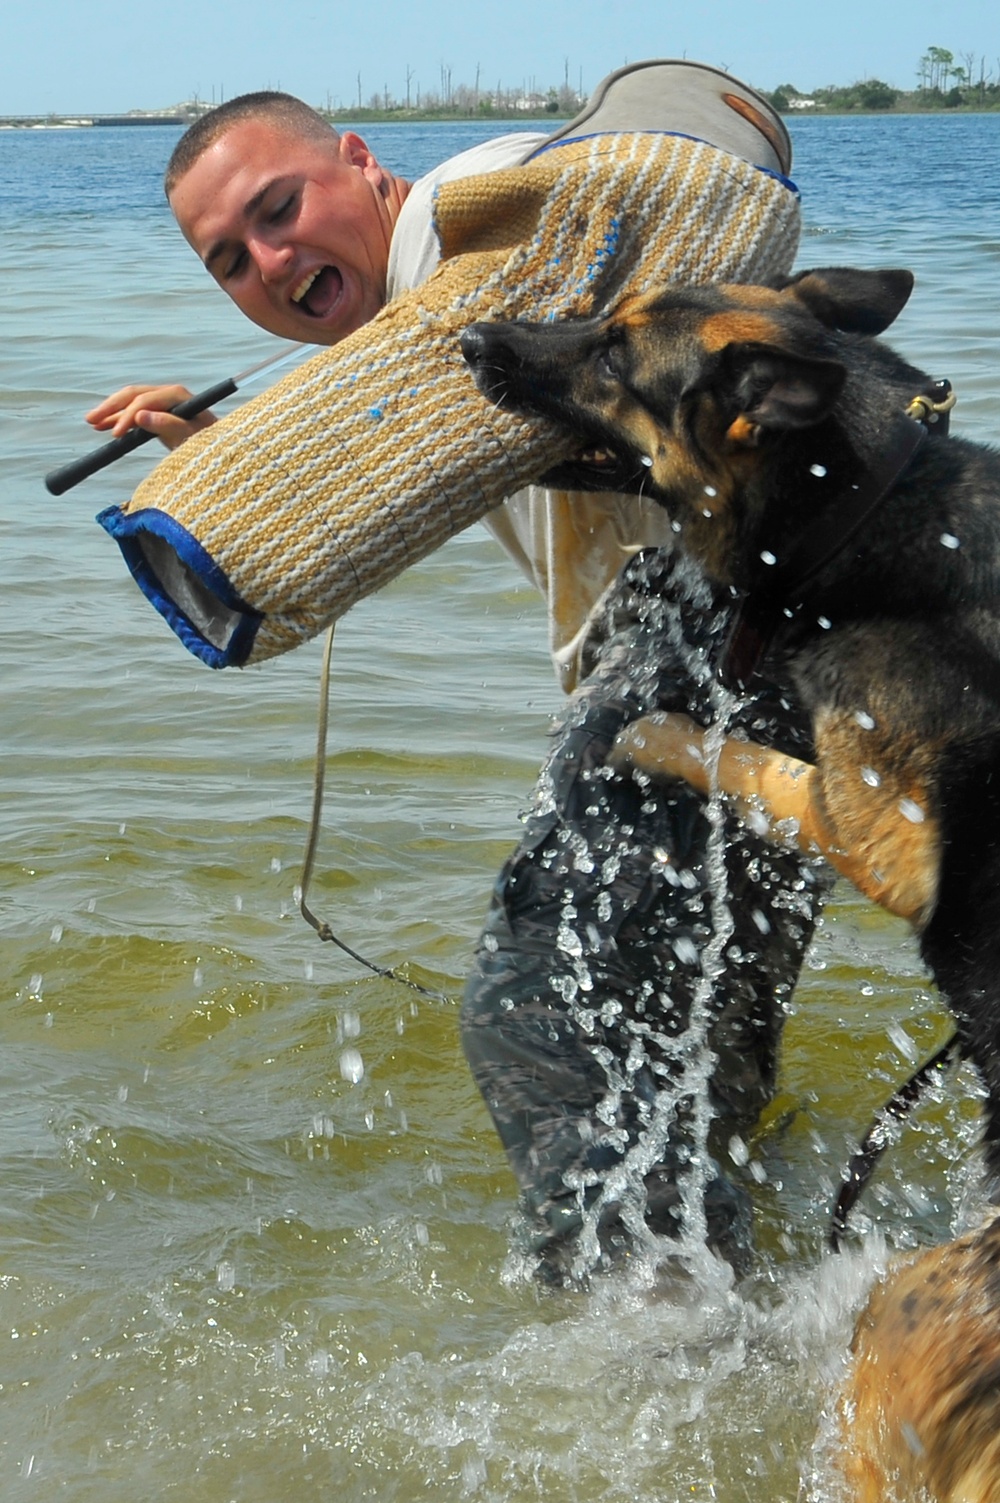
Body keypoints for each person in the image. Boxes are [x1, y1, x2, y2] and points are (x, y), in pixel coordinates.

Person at [87, 74, 827, 1280]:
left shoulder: (470, 218)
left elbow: (559, 233)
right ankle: (782, 1299)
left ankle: (662, 1365)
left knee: (536, 1016)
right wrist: (231, 457)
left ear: (363, 163)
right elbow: (410, 435)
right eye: (230, 259)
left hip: (705, 659)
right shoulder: (437, 326)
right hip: (781, 663)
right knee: (693, 1056)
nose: (269, 261)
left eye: (281, 209)